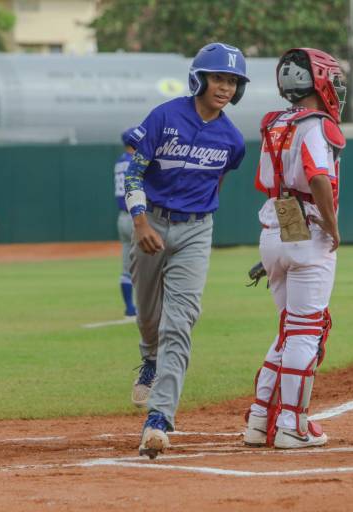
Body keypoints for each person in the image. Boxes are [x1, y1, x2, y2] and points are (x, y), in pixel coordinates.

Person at [124, 42, 248, 459]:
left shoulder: (232, 139)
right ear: (200, 79)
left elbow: (217, 183)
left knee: (180, 322)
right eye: (219, 78)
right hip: (151, 222)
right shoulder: (164, 116)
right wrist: (141, 221)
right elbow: (134, 174)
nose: (225, 87)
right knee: (148, 315)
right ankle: (149, 359)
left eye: (232, 81)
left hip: (196, 231)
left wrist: (197, 218)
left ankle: (159, 419)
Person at [242, 48, 346, 449]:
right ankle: (292, 425)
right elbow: (319, 176)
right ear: (318, 82)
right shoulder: (317, 125)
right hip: (308, 225)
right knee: (306, 331)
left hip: (277, 221)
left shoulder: (276, 121)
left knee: (289, 330)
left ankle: (258, 421)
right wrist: (333, 228)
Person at [114, 128, 139, 317]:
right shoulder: (135, 161)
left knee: (127, 267)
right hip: (136, 216)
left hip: (122, 217)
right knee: (154, 263)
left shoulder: (120, 161)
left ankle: (130, 308)